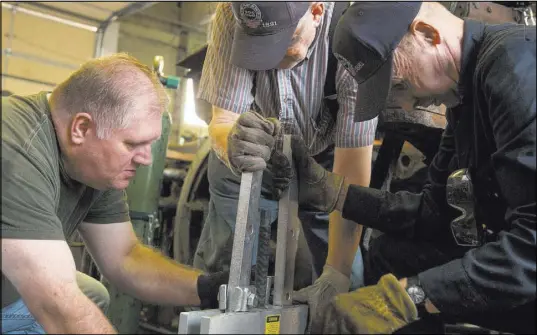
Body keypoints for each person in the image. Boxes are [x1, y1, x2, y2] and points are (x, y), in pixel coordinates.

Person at [270, 1, 535, 333]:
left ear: (426, 33)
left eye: (398, 86)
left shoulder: (516, 67)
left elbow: (532, 242)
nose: (407, 104)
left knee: (399, 285)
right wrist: (334, 192)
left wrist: (410, 296)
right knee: (389, 257)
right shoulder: (466, 94)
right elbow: (435, 213)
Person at [1, 53, 228, 334]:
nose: (145, 158)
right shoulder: (14, 150)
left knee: (93, 294)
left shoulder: (94, 167)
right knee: (65, 306)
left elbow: (125, 258)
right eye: (133, 144)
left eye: (150, 144)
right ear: (81, 128)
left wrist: (206, 289)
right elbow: (57, 304)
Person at [195, 1, 377, 307]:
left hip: (325, 164)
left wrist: (338, 273)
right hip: (246, 157)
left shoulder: (356, 33)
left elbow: (350, 182)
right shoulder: (236, 13)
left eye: (286, 42)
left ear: (316, 12)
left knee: (346, 287)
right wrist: (234, 145)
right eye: (259, 47)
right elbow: (223, 120)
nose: (270, 59)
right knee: (226, 281)